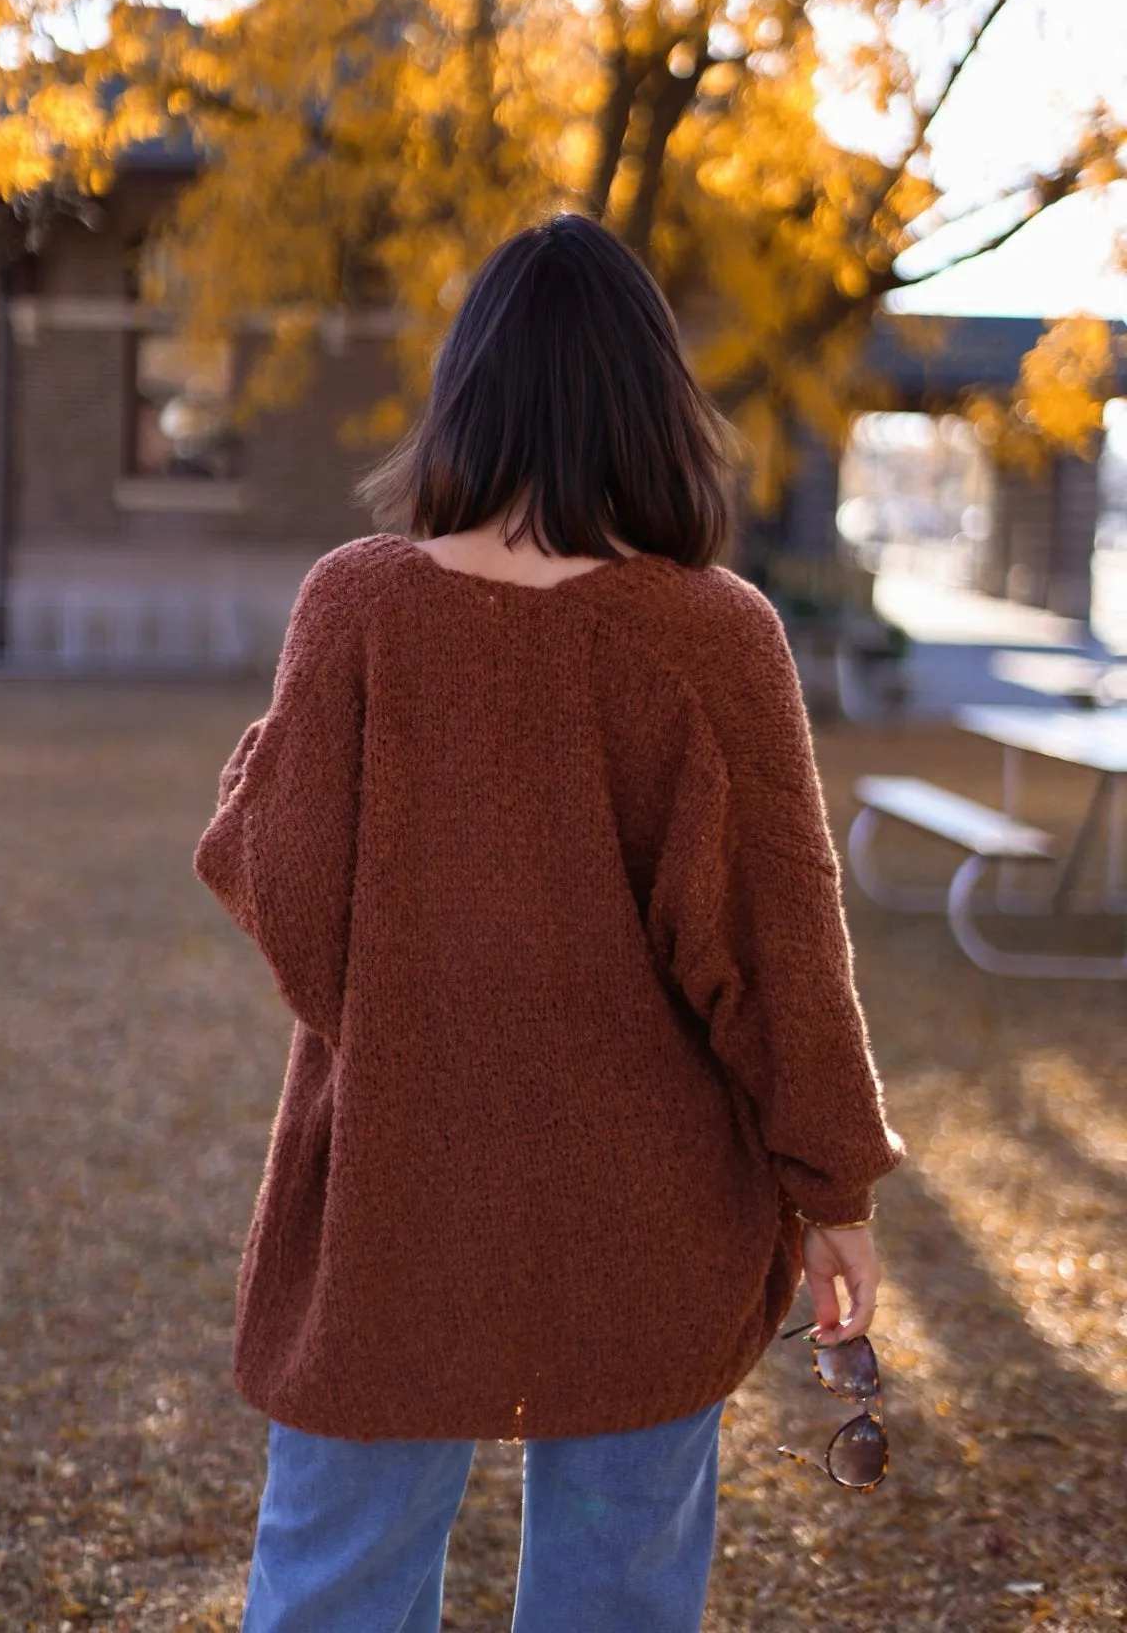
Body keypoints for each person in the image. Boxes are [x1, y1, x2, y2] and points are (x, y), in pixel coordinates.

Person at [193, 211, 904, 1633]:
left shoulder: (358, 605)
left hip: (394, 1187)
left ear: (466, 395)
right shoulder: (718, 632)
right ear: (657, 407)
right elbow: (782, 959)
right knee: (620, 1599)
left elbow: (281, 894)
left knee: (331, 1587)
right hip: (652, 1209)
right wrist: (834, 1190)